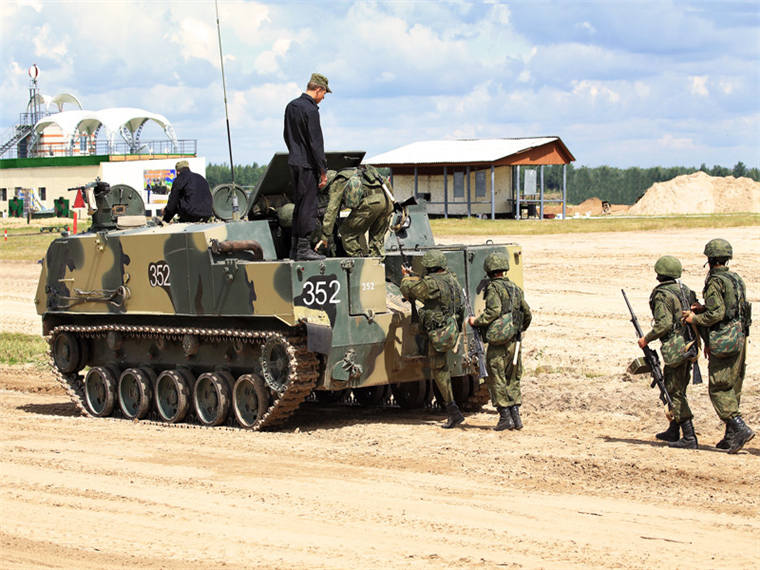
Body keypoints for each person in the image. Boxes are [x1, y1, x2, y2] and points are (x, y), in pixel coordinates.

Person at [684, 238, 754, 454]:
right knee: (733, 385)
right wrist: (704, 307)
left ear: (710, 259)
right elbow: (732, 308)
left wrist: (694, 319)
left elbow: (718, 314)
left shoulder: (715, 281)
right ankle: (730, 436)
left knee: (719, 387)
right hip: (740, 336)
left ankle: (738, 426)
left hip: (724, 338)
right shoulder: (736, 278)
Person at [400, 250, 466, 429]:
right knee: (442, 367)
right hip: (451, 327)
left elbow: (409, 290)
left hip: (439, 332)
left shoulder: (431, 284)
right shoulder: (452, 279)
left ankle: (453, 411)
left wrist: (406, 277)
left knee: (439, 369)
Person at [637, 255, 698, 449]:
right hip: (690, 345)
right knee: (674, 385)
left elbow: (663, 325)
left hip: (675, 347)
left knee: (674, 390)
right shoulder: (685, 291)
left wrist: (646, 338)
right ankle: (674, 429)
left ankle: (689, 436)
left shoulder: (662, 294)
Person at [468, 252, 532, 431]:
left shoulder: (493, 288)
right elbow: (527, 314)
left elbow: (493, 311)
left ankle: (505, 417)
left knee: (496, 377)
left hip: (498, 343)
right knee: (513, 377)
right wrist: (517, 330)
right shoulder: (515, 289)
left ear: (489, 269)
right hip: (514, 341)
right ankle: (516, 417)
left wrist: (476, 321)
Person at [283, 72, 331, 261]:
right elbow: (316, 143)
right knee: (309, 207)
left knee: (299, 206)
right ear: (318, 89)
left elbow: (287, 135)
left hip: (294, 161)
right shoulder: (310, 110)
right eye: (324, 93)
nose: (324, 97)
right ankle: (304, 249)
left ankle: (295, 248)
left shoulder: (291, 106)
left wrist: (295, 152)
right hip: (308, 165)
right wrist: (323, 170)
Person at [316, 165, 394, 258]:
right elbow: (387, 185)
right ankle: (376, 267)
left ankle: (358, 263)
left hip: (371, 203)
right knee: (377, 240)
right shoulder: (361, 173)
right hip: (387, 203)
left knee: (347, 233)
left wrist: (325, 236)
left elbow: (332, 210)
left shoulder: (338, 181)